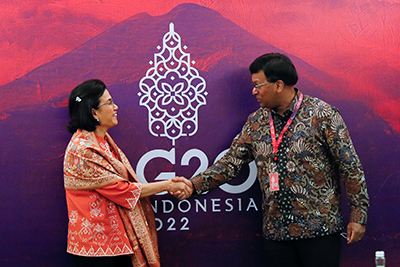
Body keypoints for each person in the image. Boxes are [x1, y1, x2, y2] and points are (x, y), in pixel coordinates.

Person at [173, 53, 369, 267]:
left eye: (258, 85)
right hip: (276, 235)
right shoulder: (256, 122)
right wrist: (193, 185)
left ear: (278, 85)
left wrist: (358, 216)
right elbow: (231, 163)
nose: (253, 91)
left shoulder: (322, 115)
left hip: (319, 232)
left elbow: (350, 166)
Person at [63, 79, 190, 267]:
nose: (115, 107)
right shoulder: (84, 150)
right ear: (94, 112)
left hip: (114, 244)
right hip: (96, 249)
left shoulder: (103, 142)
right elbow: (122, 190)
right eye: (109, 103)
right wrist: (168, 185)